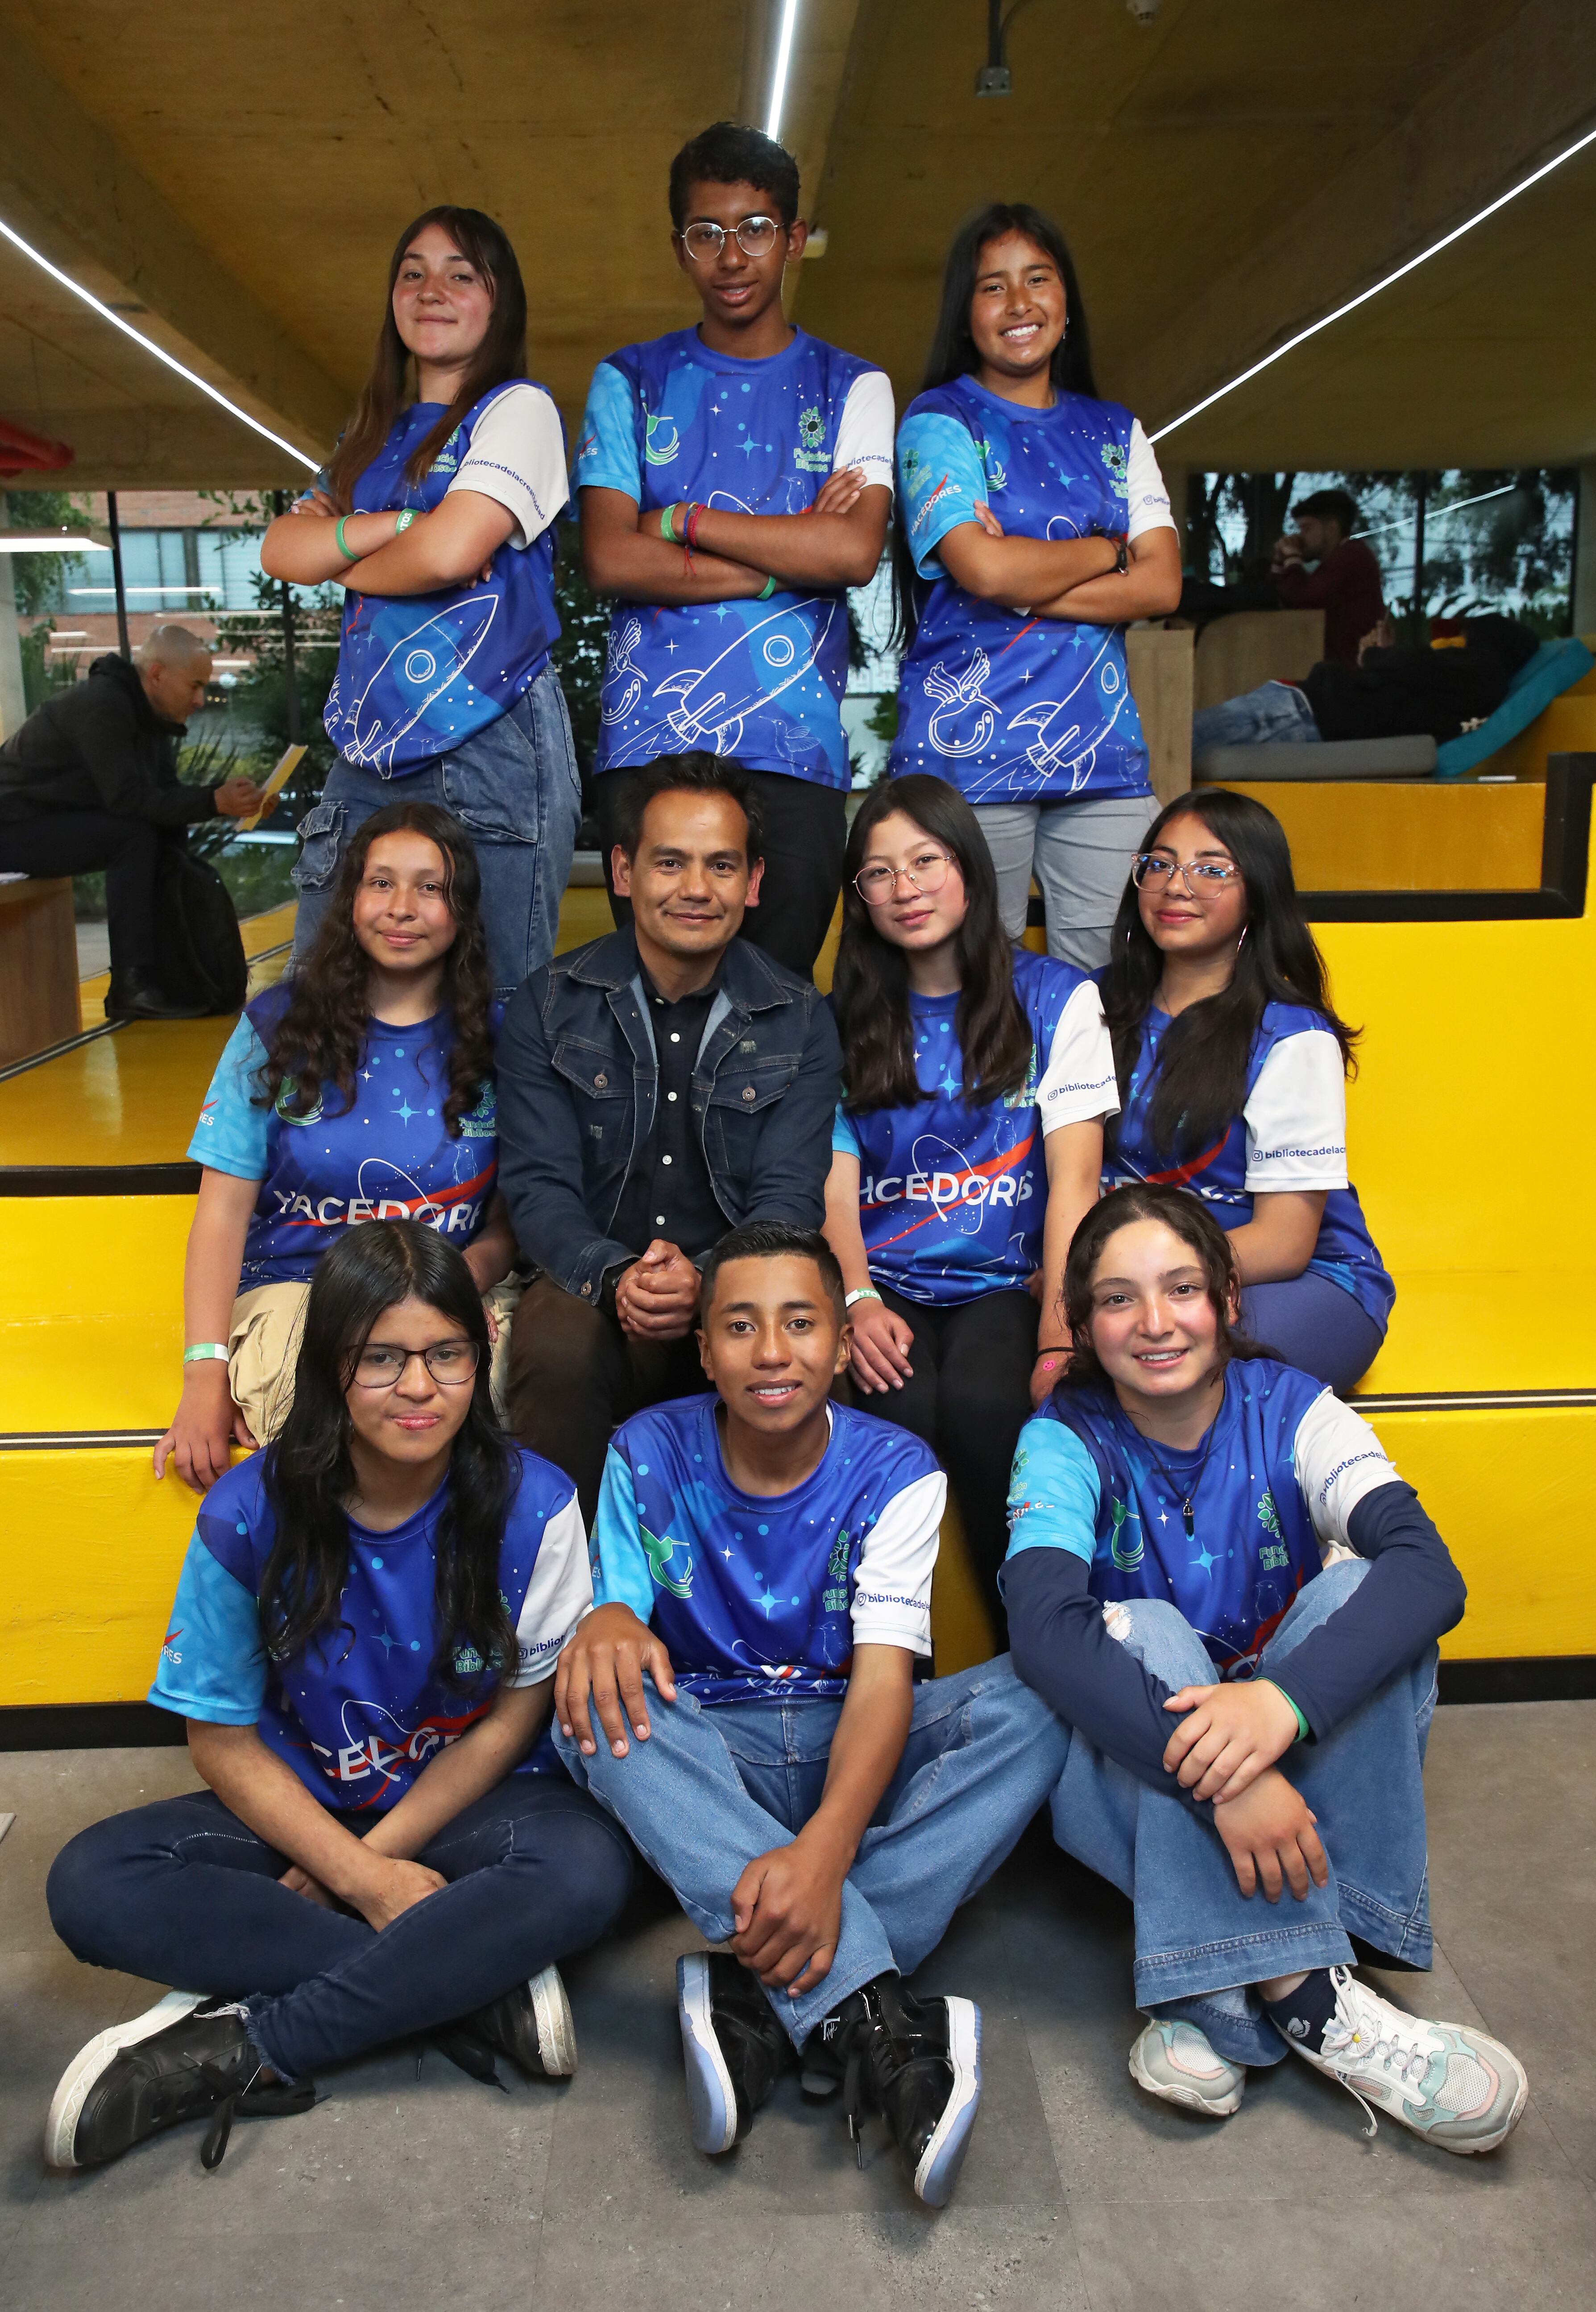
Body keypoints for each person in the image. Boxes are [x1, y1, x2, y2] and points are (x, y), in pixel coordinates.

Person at [45, 1221, 633, 2173]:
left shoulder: (537, 1501)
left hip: (467, 1801)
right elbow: (221, 1739)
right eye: (382, 1359)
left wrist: (373, 1864)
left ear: (480, 1352)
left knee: (590, 1868)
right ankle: (475, 1978)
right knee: (89, 1880)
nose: (418, 1386)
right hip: (299, 1800)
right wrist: (363, 1878)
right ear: (329, 1365)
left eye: (446, 1354)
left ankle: (255, 2043)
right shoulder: (249, 1511)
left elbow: (515, 1718)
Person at [552, 1221, 1070, 2204]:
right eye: (739, 1326)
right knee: (591, 1709)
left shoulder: (900, 1466)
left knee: (1045, 1697)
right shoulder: (645, 1449)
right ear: (702, 1350)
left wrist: (825, 1850)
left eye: (800, 1323)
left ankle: (757, 1986)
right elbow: (612, 1622)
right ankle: (870, 2007)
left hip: (854, 1735)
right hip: (715, 1746)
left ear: (840, 1339)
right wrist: (609, 1615)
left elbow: (885, 1680)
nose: (773, 1351)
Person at [1003, 1184, 1528, 2153]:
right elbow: (1040, 1626)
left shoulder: (1295, 1406)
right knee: (1140, 1626)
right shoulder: (1060, 1437)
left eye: (1182, 1288)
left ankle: (1211, 1991)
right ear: (1079, 1325)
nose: (1155, 1322)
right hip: (1144, 1775)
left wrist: (1279, 1706)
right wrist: (1225, 1785)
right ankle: (1314, 1993)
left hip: (1298, 1769)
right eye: (1117, 1299)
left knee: (1359, 1589)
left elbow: (1429, 1570)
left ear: (1229, 1301)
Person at [576, 120, 893, 977]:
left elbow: (852, 554)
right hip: (648, 741)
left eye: (754, 228)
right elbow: (609, 559)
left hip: (793, 744)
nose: (731, 255)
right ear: (678, 247)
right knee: (657, 1004)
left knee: (775, 1007)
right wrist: (787, 557)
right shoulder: (627, 380)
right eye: (704, 233)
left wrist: (677, 522)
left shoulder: (854, 385)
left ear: (792, 241)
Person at [497, 754, 841, 1524]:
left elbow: (788, 1195)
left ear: (753, 883)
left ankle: (769, 1603)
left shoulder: (798, 1015)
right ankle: (558, 1602)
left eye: (720, 865)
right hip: (591, 1286)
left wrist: (709, 1282)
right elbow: (538, 1189)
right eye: (670, 862)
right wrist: (620, 1279)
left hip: (737, 1281)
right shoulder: (549, 1006)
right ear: (623, 871)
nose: (695, 888)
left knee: (804, 1337)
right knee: (554, 1340)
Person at [260, 205, 580, 999]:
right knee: (320, 997)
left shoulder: (518, 411)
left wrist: (340, 545)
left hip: (490, 734)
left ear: (497, 301)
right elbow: (279, 551)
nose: (430, 290)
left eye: (459, 274)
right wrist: (402, 524)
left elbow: (449, 553)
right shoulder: (371, 433)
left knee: (498, 1007)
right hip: (367, 742)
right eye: (412, 273)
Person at [823, 773, 1115, 1630]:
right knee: (892, 1408)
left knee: (996, 1406)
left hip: (1008, 1284)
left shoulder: (1059, 999)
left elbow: (1075, 1184)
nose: (904, 888)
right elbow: (832, 1186)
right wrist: (853, 1300)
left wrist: (1061, 1336)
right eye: (877, 873)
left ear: (971, 867)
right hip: (885, 1284)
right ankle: (891, 1676)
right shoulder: (834, 1018)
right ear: (858, 897)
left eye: (926, 860)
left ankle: (1035, 1653)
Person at [155, 800, 516, 1493]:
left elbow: (504, 1225)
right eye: (380, 882)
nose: (402, 906)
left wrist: (463, 1285)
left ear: (462, 909)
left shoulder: (501, 1039)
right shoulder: (278, 1027)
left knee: (482, 1398)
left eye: (430, 887)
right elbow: (222, 1214)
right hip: (300, 1292)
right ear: (349, 898)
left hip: (450, 1294)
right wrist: (204, 1371)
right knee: (340, 1404)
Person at [889, 203, 1181, 970]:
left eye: (1038, 279)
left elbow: (1161, 586)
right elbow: (982, 571)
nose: (1019, 304)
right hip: (968, 759)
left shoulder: (1117, 430)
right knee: (971, 987)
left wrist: (1018, 572)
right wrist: (1104, 549)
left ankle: (1092, 1104)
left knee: (1112, 989)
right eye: (992, 286)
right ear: (965, 313)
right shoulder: (936, 421)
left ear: (1065, 300)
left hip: (1102, 757)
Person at [1099, 787, 1393, 1393]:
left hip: (1294, 1281)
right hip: (1137, 1277)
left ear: (1257, 894)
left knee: (1170, 1353)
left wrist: (1132, 1286)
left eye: (1211, 869)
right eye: (1159, 864)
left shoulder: (1290, 1034)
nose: (1176, 886)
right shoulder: (1088, 1006)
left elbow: (1284, 1242)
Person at [0, 627, 265, 1019]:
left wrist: (230, 800)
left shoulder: (148, 716)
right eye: (194, 685)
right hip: (11, 828)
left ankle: (170, 970)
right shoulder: (104, 706)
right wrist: (213, 800)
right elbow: (128, 800)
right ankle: (131, 983)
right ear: (156, 674)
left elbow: (165, 797)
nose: (199, 699)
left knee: (156, 829)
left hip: (42, 821)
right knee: (133, 833)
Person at [1191, 609, 1540, 757]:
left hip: (1305, 710)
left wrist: (1373, 656)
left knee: (1172, 742)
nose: (1453, 645)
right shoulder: (1473, 681)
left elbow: (1416, 667)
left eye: (1462, 638)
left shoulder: (1483, 668)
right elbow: (1415, 680)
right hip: (1304, 709)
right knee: (1177, 743)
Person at [1270, 489, 1386, 667]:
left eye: (1307, 529)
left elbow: (1305, 601)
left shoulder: (1351, 557)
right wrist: (1280, 563)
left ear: (1332, 529)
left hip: (1354, 675)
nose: (1300, 537)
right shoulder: (1338, 561)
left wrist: (1292, 558)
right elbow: (1285, 599)